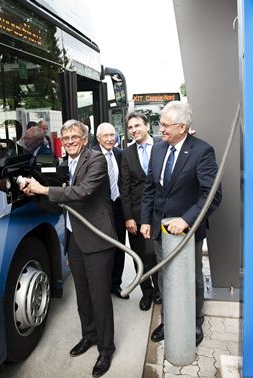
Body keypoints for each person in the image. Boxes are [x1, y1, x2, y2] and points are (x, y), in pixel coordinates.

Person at [20, 120, 117, 378]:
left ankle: (106, 349)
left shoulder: (96, 160)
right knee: (82, 295)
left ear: (85, 140)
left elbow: (83, 192)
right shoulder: (66, 164)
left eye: (76, 136)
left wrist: (44, 189)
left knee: (99, 297)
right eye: (67, 137)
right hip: (75, 238)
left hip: (97, 239)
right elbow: (57, 193)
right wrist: (35, 190)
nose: (71, 141)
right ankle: (89, 336)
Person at [140, 100, 222, 346]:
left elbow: (212, 195)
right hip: (158, 229)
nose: (160, 129)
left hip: (186, 233)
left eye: (166, 125)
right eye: (160, 123)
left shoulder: (202, 151)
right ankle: (169, 321)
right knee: (165, 277)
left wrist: (186, 220)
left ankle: (194, 324)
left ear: (183, 127)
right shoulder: (157, 149)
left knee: (192, 279)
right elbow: (150, 189)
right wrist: (145, 220)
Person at [120, 112, 161, 311]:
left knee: (156, 253)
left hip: (160, 212)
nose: (134, 130)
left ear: (147, 126)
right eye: (130, 128)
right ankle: (146, 291)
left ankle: (160, 289)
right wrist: (128, 217)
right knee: (139, 255)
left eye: (137, 126)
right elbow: (124, 188)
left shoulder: (163, 146)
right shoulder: (126, 153)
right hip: (136, 214)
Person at [94, 122, 129, 300]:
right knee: (103, 249)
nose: (109, 139)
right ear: (98, 138)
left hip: (118, 207)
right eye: (105, 136)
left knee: (119, 247)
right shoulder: (91, 155)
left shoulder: (120, 154)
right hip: (99, 210)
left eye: (112, 135)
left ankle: (116, 284)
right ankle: (103, 286)